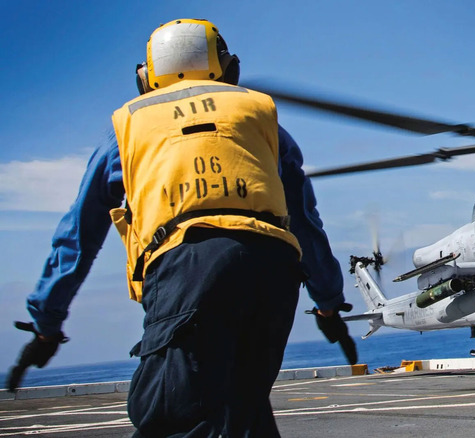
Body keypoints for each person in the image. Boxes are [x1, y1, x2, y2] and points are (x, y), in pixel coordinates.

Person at [6, 18, 355, 437]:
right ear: (230, 69)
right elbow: (304, 220)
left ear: (145, 77)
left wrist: (46, 323)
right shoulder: (261, 117)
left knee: (171, 415)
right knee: (244, 413)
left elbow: (78, 236)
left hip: (187, 268)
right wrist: (329, 304)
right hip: (274, 271)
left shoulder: (129, 127)